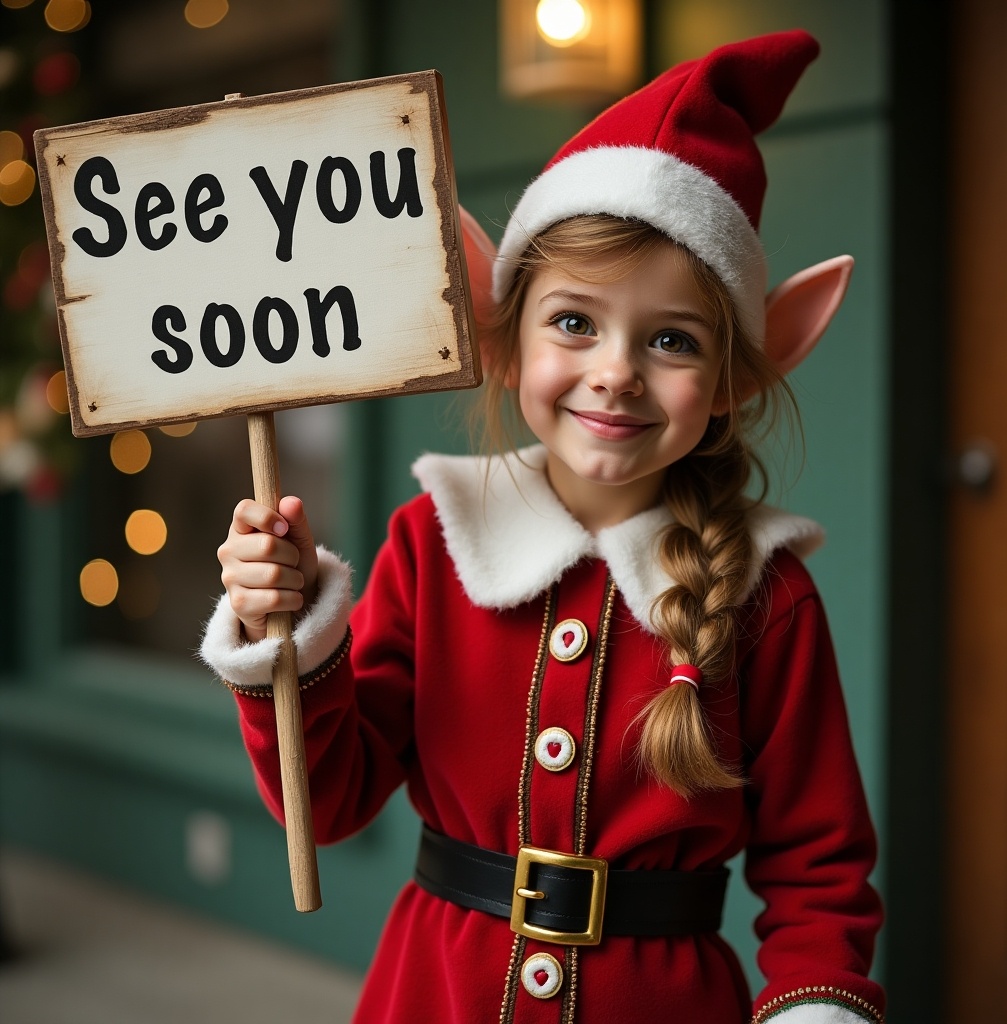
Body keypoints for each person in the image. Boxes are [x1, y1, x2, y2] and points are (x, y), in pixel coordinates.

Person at [201, 29, 885, 1024]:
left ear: (733, 382)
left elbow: (819, 875)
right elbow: (335, 797)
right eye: (574, 322)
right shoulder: (430, 543)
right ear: (505, 342)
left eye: (669, 339)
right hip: (434, 996)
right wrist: (288, 637)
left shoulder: (767, 596)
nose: (615, 370)